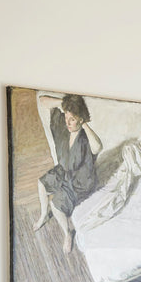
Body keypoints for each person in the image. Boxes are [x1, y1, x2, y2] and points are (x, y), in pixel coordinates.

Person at [34, 93, 102, 254]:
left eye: (72, 119)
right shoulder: (64, 127)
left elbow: (98, 147)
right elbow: (42, 100)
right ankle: (43, 215)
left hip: (79, 181)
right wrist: (65, 104)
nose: (68, 122)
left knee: (56, 206)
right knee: (41, 183)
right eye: (66, 117)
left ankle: (67, 233)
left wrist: (83, 123)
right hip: (64, 171)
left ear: (80, 119)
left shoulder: (85, 138)